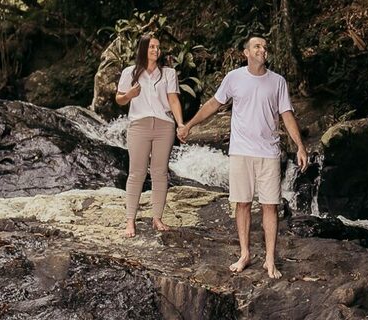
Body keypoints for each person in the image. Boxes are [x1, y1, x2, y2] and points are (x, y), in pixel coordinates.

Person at [179, 35, 307, 278]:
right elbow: (213, 104)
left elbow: (287, 114)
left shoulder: (277, 82)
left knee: (270, 205)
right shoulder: (234, 78)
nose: (263, 50)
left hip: (269, 152)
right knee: (243, 203)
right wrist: (189, 125)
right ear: (246, 52)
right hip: (241, 151)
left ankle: (270, 259)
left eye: (265, 47)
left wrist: (300, 146)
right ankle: (245, 253)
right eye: (257, 46)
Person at [117, 33, 185, 237]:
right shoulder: (130, 72)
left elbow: (173, 100)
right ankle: (130, 221)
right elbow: (119, 99)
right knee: (136, 173)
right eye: (152, 47)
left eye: (158, 47)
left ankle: (157, 218)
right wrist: (129, 95)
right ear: (143, 49)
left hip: (164, 126)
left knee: (160, 172)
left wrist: (180, 123)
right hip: (139, 125)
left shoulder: (169, 73)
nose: (156, 50)